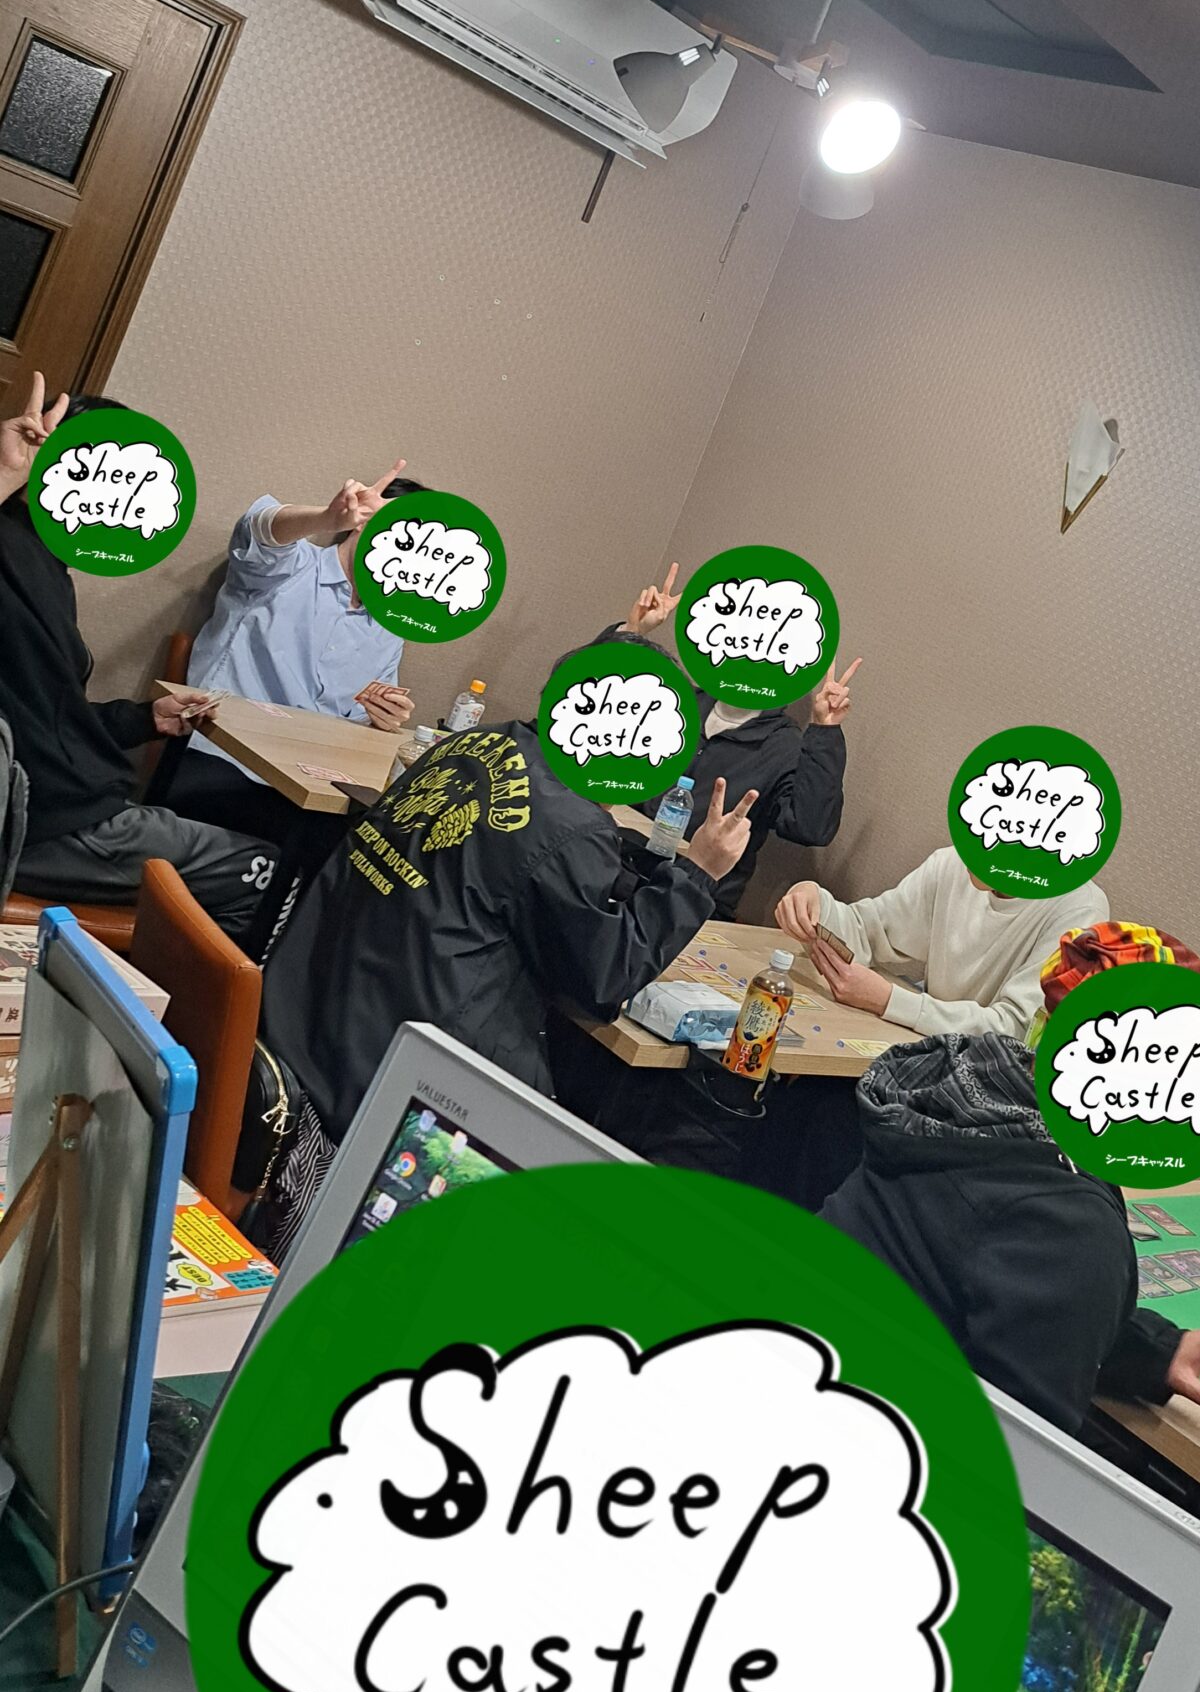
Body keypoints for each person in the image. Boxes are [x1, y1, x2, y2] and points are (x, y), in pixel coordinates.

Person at [252, 659, 761, 1256]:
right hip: (396, 1079)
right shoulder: (568, 823)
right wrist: (699, 874)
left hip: (307, 1019)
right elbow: (607, 977)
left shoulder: (473, 743)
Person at [821, 922, 1200, 1437]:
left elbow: (988, 1285)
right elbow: (1016, 1453)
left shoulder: (967, 1102)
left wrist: (1157, 1351)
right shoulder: (1070, 1228)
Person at [0, 375, 276, 944]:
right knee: (270, 873)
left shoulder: (44, 561)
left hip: (69, 807)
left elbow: (46, 716)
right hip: (41, 823)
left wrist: (145, 718)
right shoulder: (9, 545)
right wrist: (5, 473)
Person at [165, 458, 428, 844]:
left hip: (313, 786)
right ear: (364, 522)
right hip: (220, 759)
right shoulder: (291, 566)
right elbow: (257, 526)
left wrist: (384, 718)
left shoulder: (390, 626)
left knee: (377, 845)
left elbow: (361, 722)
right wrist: (326, 518)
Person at [602, 564, 858, 918]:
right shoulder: (676, 702)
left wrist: (824, 730)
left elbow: (811, 827)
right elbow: (591, 709)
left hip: (695, 899)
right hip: (612, 863)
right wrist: (633, 632)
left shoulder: (783, 745)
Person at [774, 843, 1110, 1040]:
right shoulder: (951, 863)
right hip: (914, 1051)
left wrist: (887, 1000)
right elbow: (867, 931)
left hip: (982, 1090)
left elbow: (1014, 1032)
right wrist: (811, 900)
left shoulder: (1079, 908)